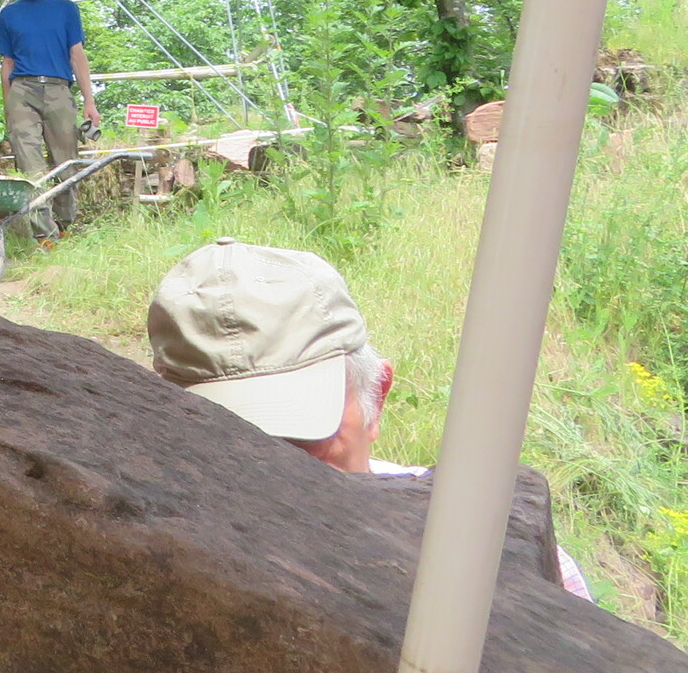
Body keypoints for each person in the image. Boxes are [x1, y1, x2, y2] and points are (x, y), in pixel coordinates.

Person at [146, 237, 593, 599]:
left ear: (375, 398)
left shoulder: (505, 556)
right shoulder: (143, 547)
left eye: (300, 432)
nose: (271, 462)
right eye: (228, 436)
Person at [0, 0, 98, 241]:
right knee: (30, 165)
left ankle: (65, 226)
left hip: (58, 89)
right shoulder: (9, 14)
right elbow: (7, 63)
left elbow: (77, 55)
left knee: (66, 162)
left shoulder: (66, 9)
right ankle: (45, 236)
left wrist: (90, 102)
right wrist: (8, 105)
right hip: (22, 90)